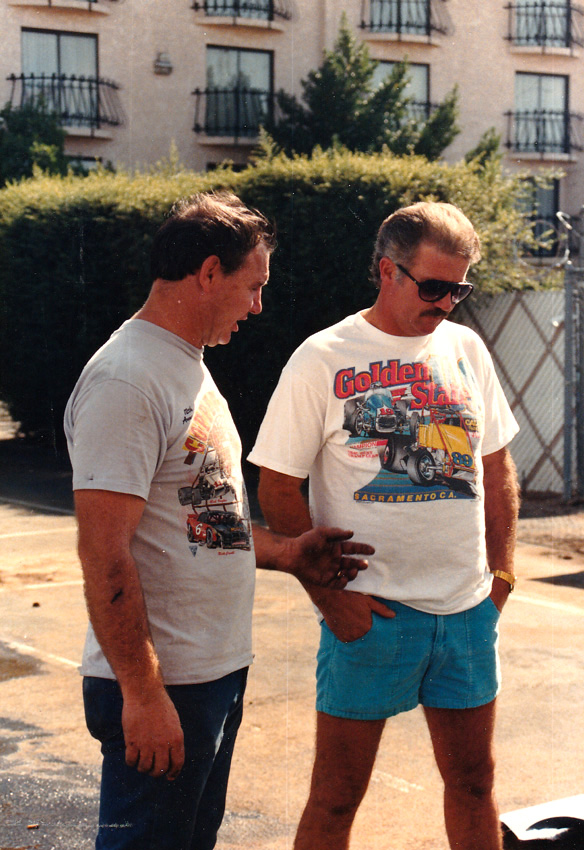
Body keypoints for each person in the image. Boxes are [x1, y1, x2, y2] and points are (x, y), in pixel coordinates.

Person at [63, 191, 374, 850]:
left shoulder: (184, 368)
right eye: (253, 286)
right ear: (208, 273)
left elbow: (198, 517)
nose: (258, 306)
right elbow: (104, 555)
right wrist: (143, 694)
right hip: (165, 683)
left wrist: (287, 552)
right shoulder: (126, 380)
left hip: (210, 674)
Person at [249, 201, 520, 850]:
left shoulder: (466, 349)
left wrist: (502, 577)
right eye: (434, 287)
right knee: (336, 798)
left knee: (475, 783)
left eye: (459, 290)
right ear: (387, 271)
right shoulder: (323, 357)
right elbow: (277, 487)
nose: (447, 303)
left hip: (466, 615)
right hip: (372, 618)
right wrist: (330, 598)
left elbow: (498, 469)